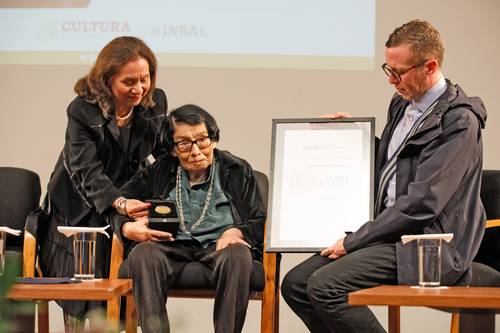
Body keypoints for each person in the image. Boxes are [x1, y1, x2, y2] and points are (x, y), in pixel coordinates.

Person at [281, 19, 487, 333]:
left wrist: (354, 241)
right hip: (391, 234)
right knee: (296, 284)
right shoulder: (402, 103)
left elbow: (422, 204)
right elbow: (397, 161)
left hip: (430, 244)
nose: (391, 80)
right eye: (387, 69)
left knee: (324, 285)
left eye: (399, 72)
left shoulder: (458, 122)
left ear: (430, 66)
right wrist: (352, 138)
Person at [38, 36, 168, 326]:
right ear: (108, 80)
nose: (139, 89)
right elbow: (86, 170)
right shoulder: (82, 110)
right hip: (78, 202)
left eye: (144, 79)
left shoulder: (155, 102)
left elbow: (162, 154)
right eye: (129, 82)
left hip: (125, 195)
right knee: (83, 285)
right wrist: (118, 203)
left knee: (123, 289)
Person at [108, 104, 265, 333]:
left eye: (203, 140)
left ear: (214, 139)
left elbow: (259, 219)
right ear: (172, 149)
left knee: (239, 254)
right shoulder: (160, 170)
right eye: (184, 144)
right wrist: (127, 227)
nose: (196, 151)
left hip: (219, 247)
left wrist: (236, 232)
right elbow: (116, 205)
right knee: (143, 253)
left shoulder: (236, 170)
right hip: (170, 246)